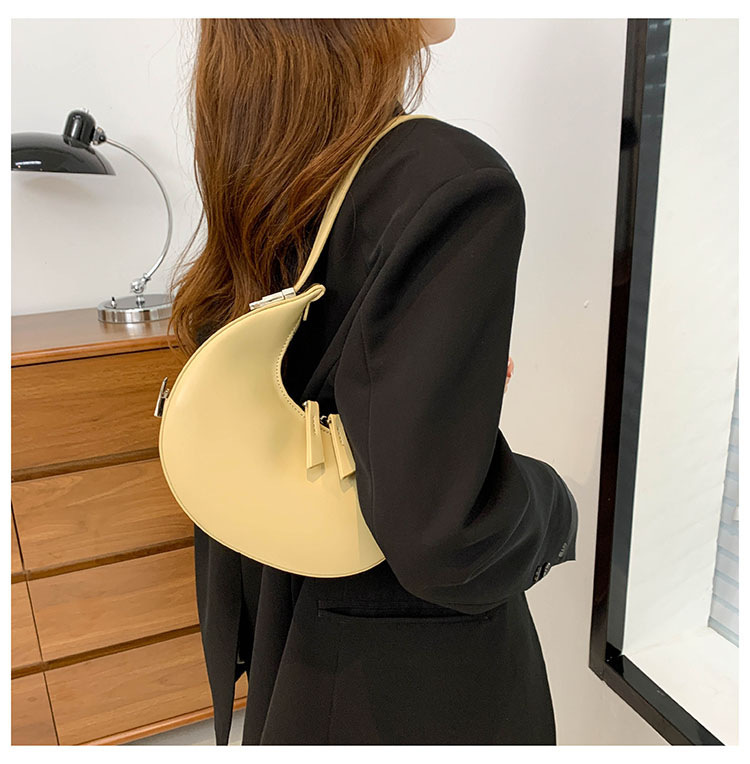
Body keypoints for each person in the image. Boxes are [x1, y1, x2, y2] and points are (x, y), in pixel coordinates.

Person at [167, 18, 578, 745]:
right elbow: (443, 538)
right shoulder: (450, 180)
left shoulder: (269, 151)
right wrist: (554, 506)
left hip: (287, 629)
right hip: (406, 682)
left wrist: (434, 388)